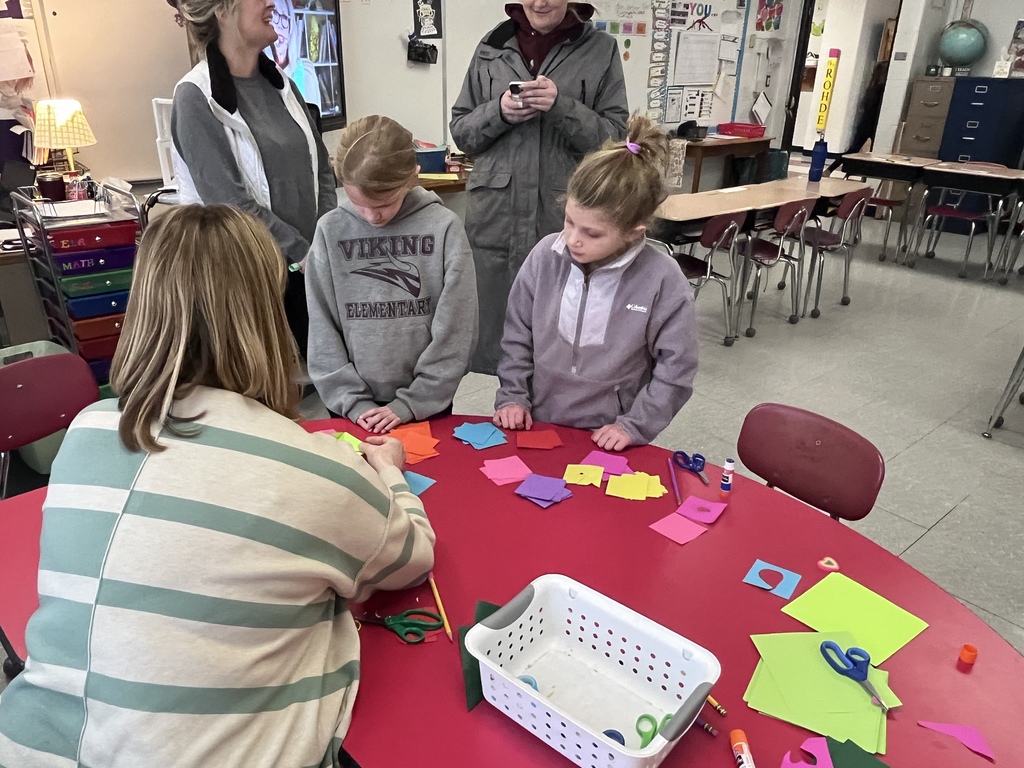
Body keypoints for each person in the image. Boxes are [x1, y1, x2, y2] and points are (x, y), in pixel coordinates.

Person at [0, 205, 435, 768]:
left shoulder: (88, 429)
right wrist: (392, 472)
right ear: (267, 313)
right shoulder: (317, 468)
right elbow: (413, 559)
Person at [493, 114, 698, 451]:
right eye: (569, 221)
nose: (573, 239)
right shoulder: (546, 256)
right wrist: (512, 395)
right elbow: (517, 337)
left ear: (635, 231)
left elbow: (677, 368)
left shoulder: (662, 279)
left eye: (592, 233)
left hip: (612, 433)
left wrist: (636, 425)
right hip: (538, 420)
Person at [450, 0, 629, 375]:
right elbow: (462, 132)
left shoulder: (600, 49)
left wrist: (561, 106)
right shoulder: (491, 47)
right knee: (498, 345)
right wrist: (498, 111)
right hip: (496, 221)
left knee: (560, 344)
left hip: (563, 219)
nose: (539, 3)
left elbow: (616, 140)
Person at [171, 0, 338, 356]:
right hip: (247, 281)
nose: (270, 4)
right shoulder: (196, 97)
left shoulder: (286, 89)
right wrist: (302, 254)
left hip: (307, 274)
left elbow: (322, 170)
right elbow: (228, 202)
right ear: (221, 10)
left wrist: (323, 241)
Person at [306, 115, 478, 434]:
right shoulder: (330, 231)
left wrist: (412, 402)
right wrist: (352, 402)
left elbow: (457, 328)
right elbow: (321, 329)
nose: (372, 217)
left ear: (412, 178)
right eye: (359, 205)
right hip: (349, 408)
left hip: (427, 403)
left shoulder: (444, 228)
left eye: (384, 203)